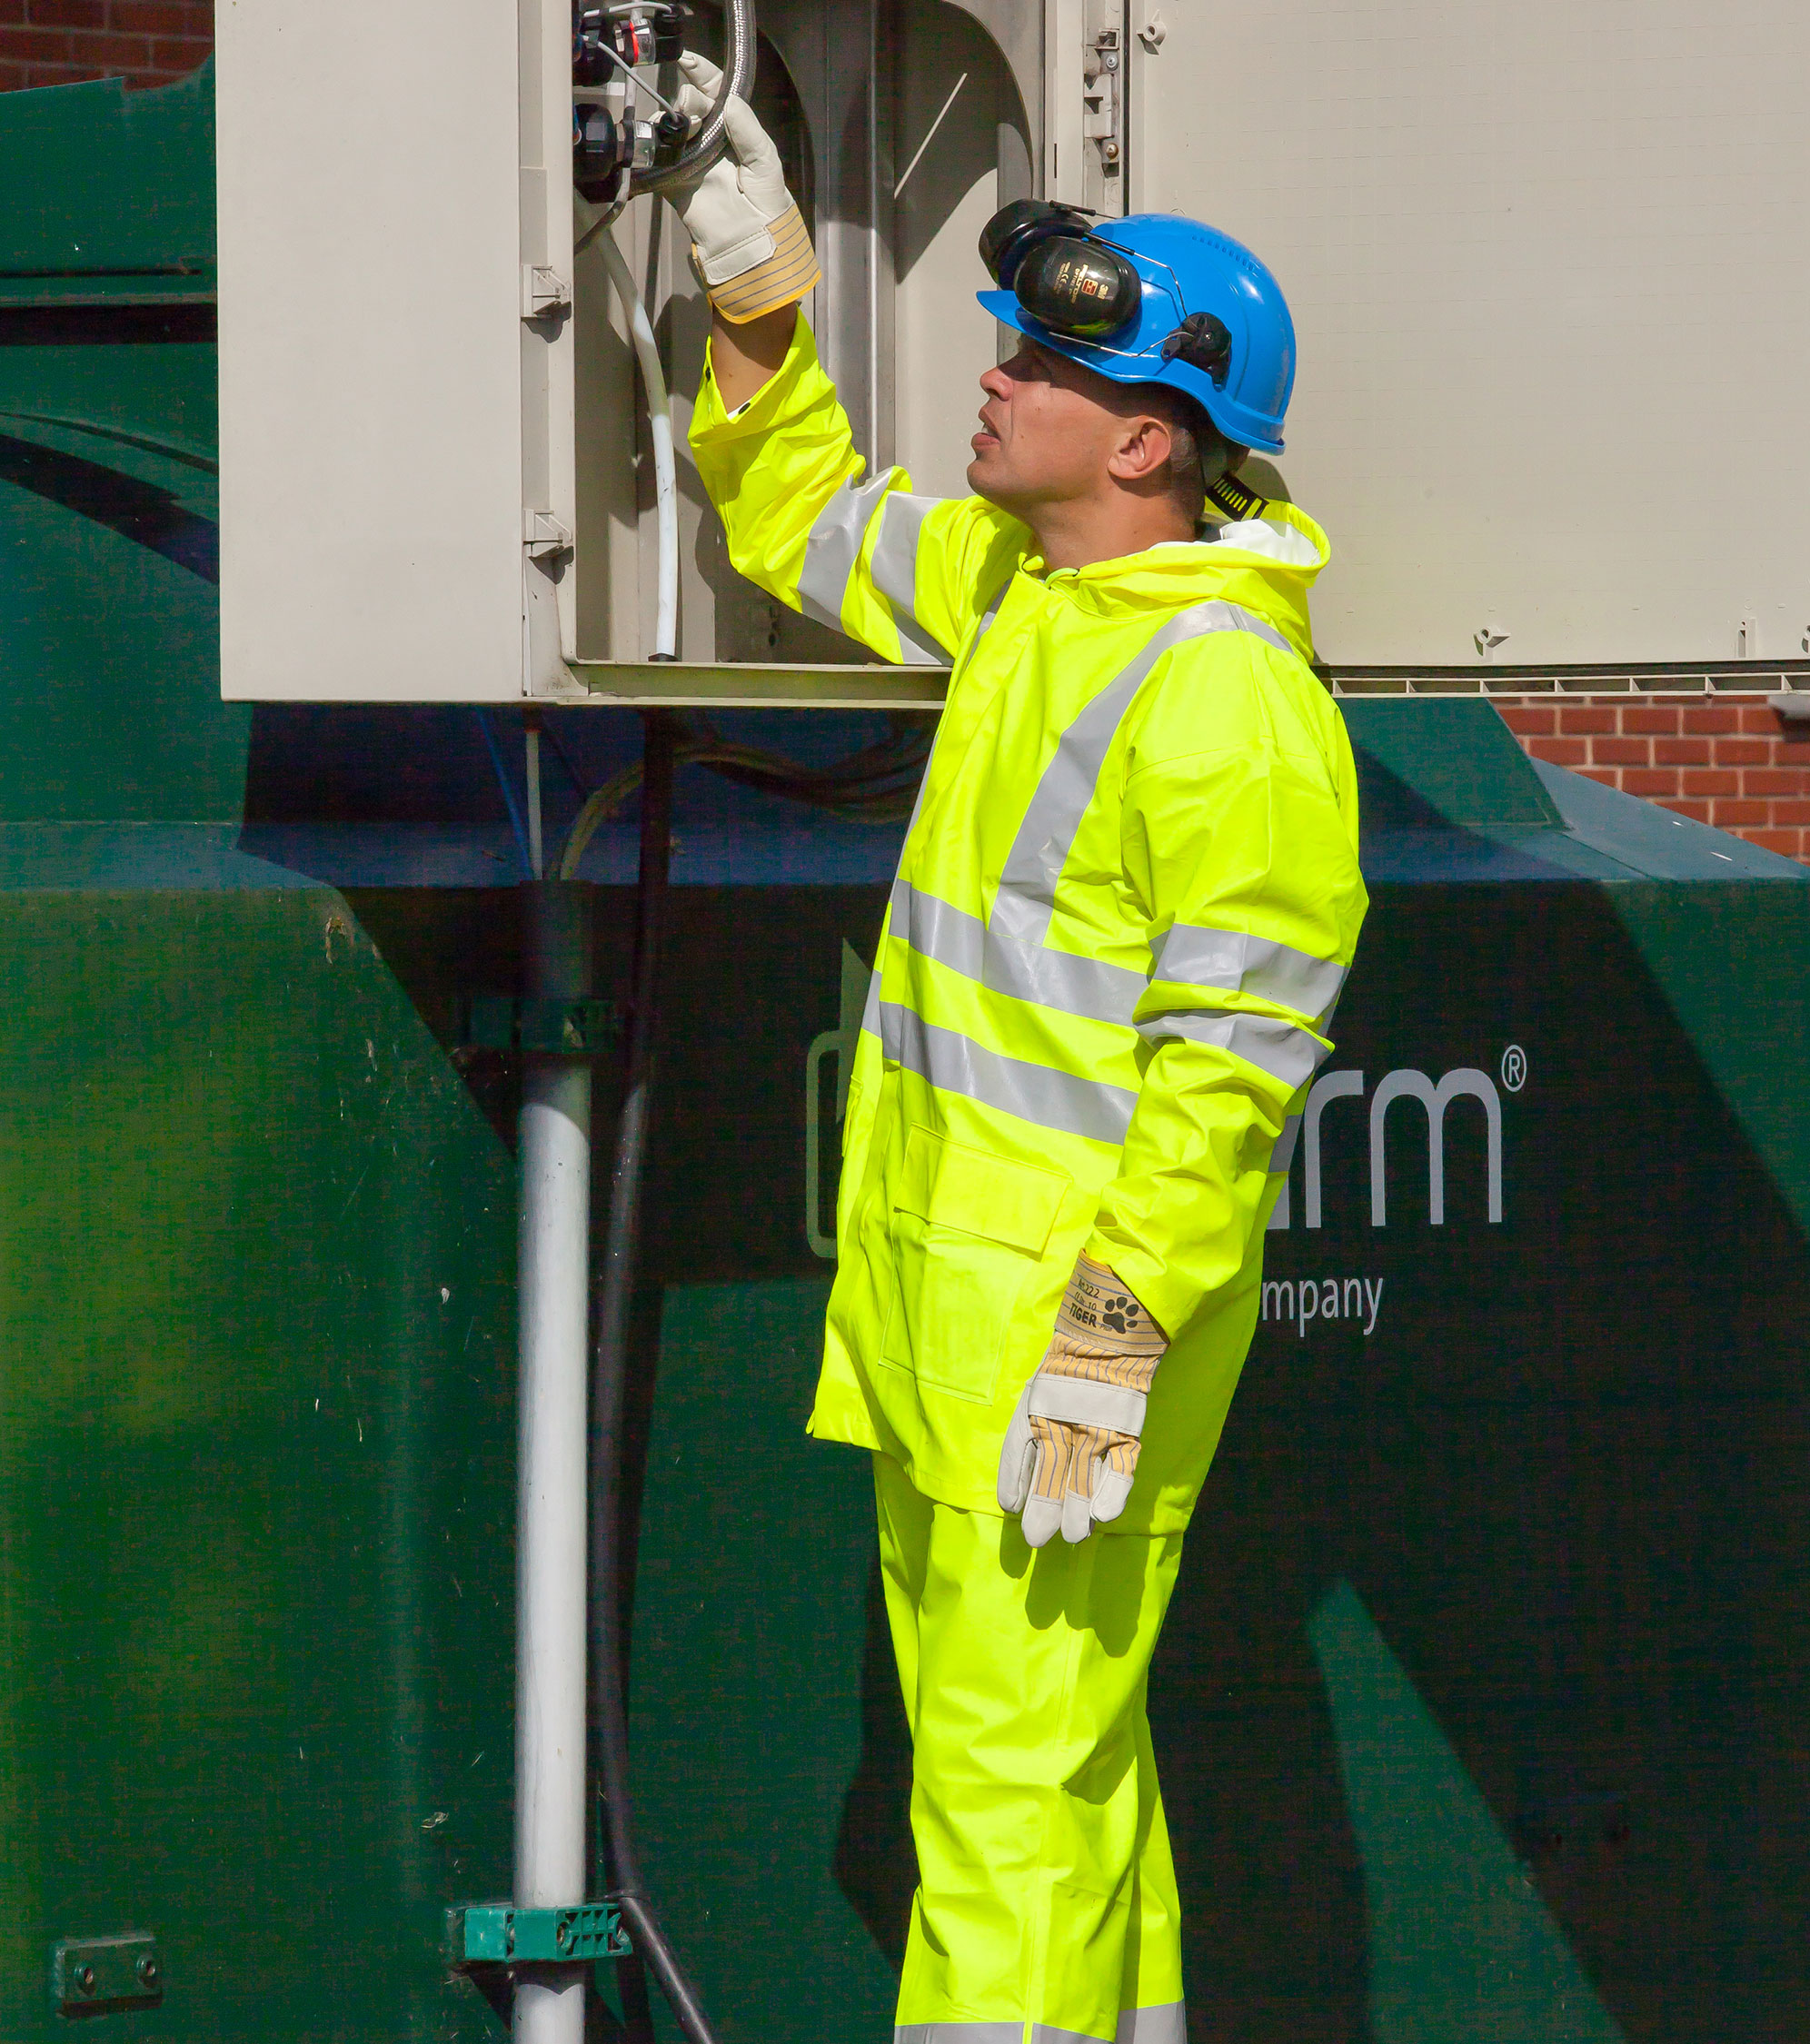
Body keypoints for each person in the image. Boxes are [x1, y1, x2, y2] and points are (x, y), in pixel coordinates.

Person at [669, 52, 1366, 2044]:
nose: (987, 374)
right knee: (1057, 1784)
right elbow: (798, 512)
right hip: (949, 1323)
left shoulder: (1227, 703)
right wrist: (754, 292)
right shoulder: (1020, 593)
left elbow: (1226, 1088)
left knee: (1000, 1818)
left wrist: (1109, 1347)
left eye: (1033, 366)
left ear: (1151, 441)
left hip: (1058, 1351)